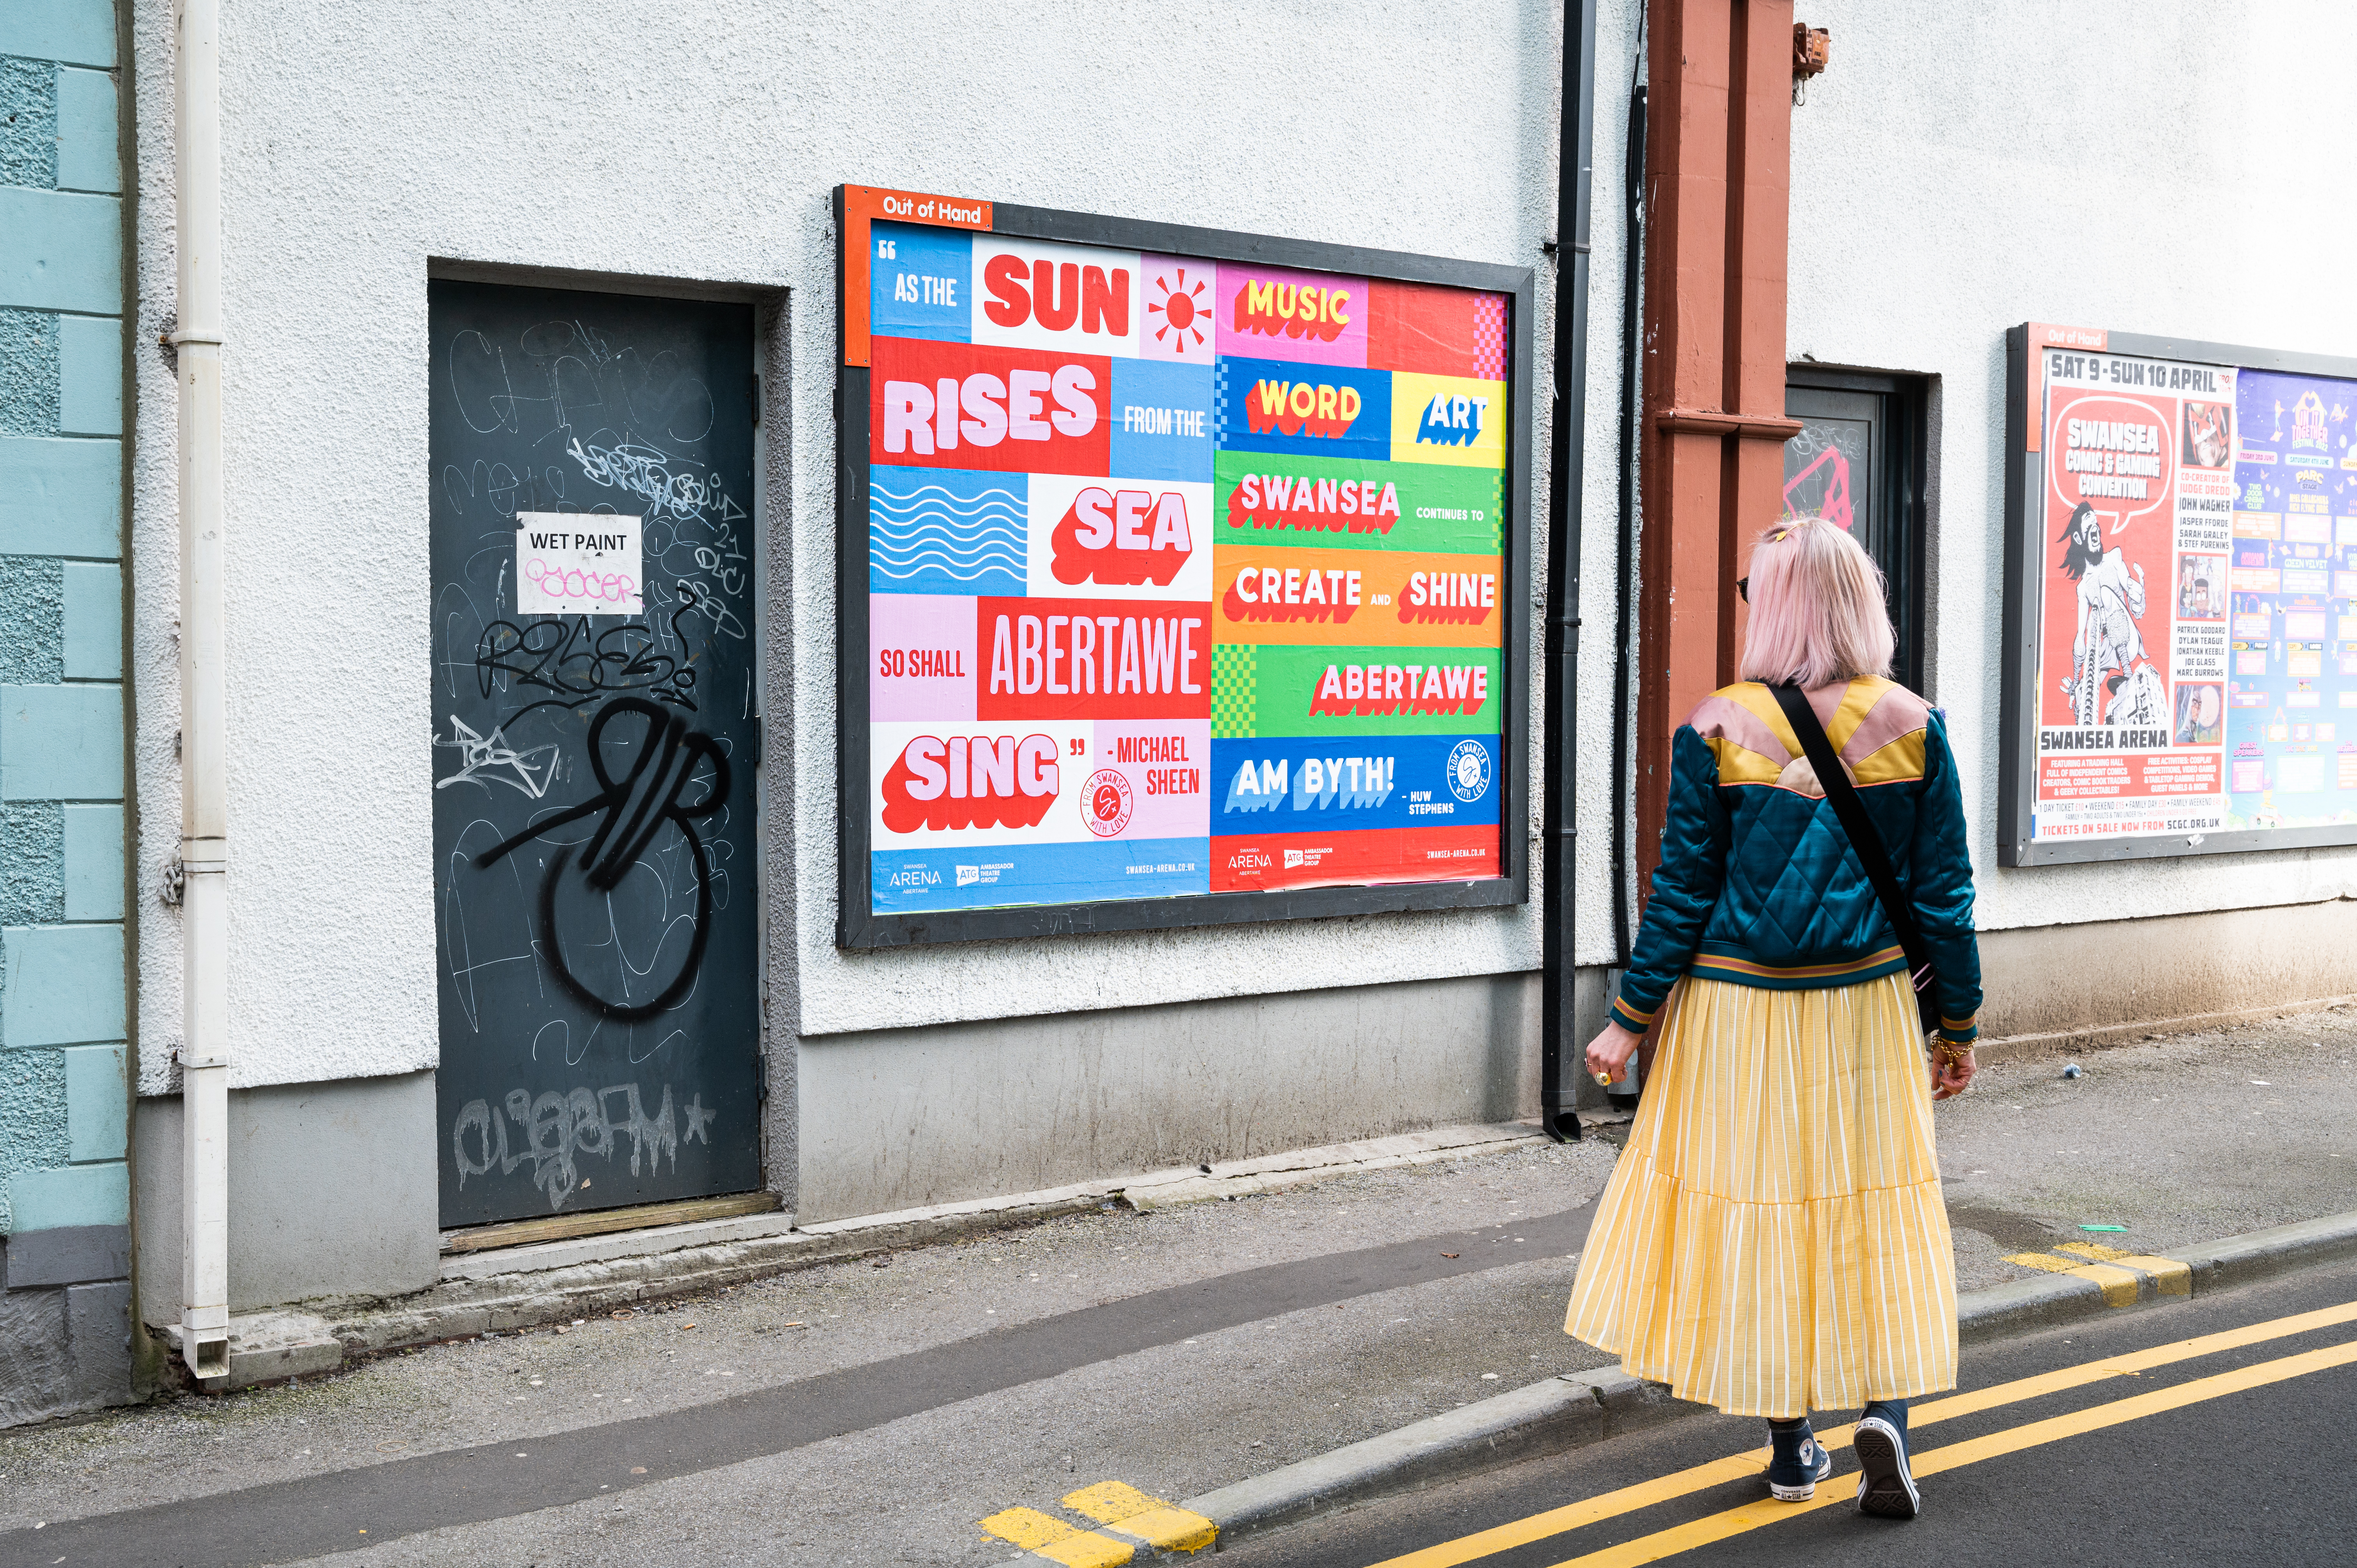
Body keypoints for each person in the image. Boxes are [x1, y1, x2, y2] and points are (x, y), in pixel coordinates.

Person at [1564, 514, 1981, 1522]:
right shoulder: (1915, 727)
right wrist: (1957, 1026)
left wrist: (1629, 1016)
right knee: (1872, 1205)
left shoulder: (1720, 727)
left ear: (1776, 609)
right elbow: (1945, 898)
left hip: (1737, 1017)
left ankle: (1793, 1447)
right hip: (1865, 1008)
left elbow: (1681, 892)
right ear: (1859, 604)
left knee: (1760, 1217)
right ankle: (1886, 1414)